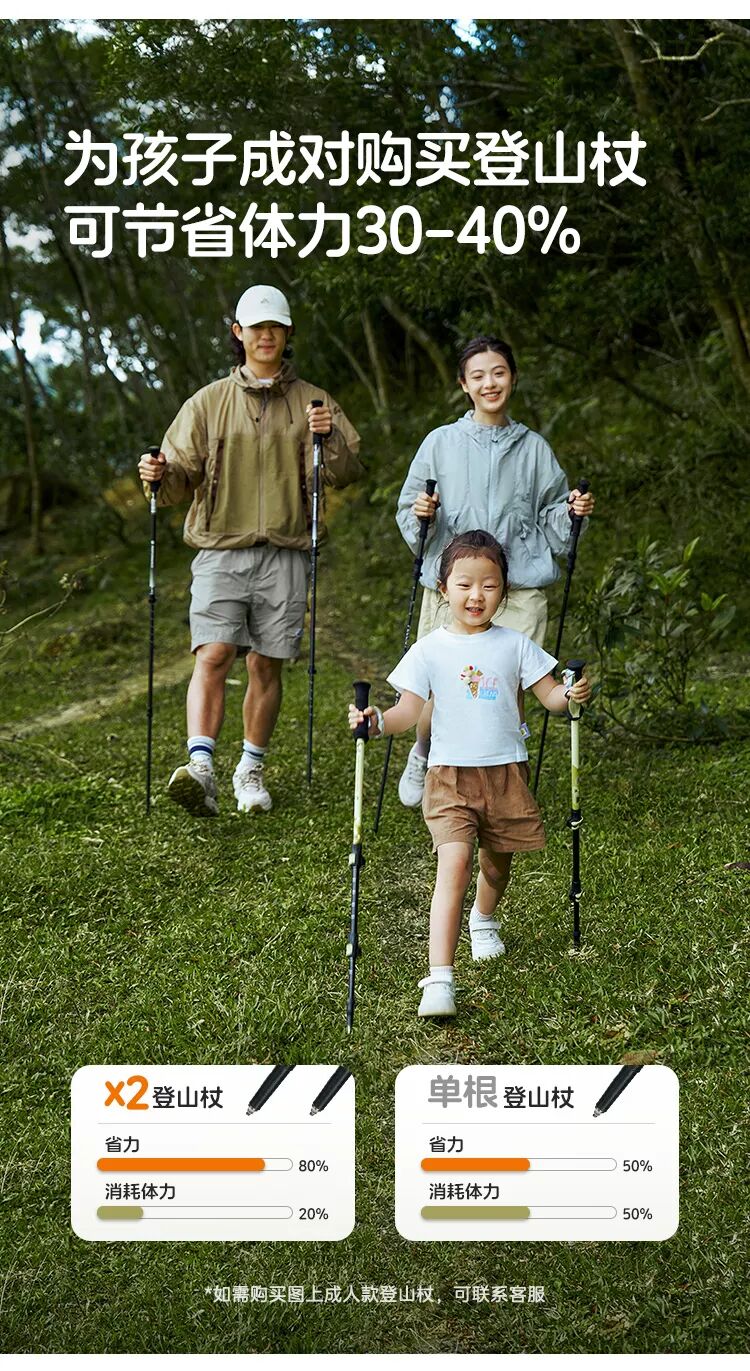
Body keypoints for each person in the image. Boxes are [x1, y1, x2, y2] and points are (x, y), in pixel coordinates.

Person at [138, 284, 362, 817]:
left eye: (276, 327)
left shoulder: (315, 401)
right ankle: (201, 767)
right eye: (257, 327)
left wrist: (329, 437)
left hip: (288, 550)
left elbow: (349, 471)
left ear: (287, 334)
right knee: (213, 652)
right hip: (221, 549)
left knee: (266, 664)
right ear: (238, 333)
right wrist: (157, 475)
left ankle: (250, 768)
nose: (267, 335)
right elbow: (178, 477)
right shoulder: (208, 402)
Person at [348, 529, 590, 1018]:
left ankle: (483, 918)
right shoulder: (429, 650)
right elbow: (407, 711)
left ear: (504, 591)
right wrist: (376, 723)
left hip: (505, 774)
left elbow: (549, 697)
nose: (476, 595)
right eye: (464, 584)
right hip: (448, 777)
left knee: (497, 867)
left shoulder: (516, 645)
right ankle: (439, 978)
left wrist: (570, 695)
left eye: (489, 585)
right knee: (454, 863)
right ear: (444, 589)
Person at [394, 335, 595, 807]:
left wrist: (572, 513)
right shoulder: (440, 443)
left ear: (513, 378)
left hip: (518, 588)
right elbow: (410, 510)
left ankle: (504, 779)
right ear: (463, 384)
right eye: (478, 375)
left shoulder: (534, 448)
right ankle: (424, 752)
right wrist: (423, 513)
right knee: (441, 688)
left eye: (499, 372)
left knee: (506, 691)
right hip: (455, 589)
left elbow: (552, 516)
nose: (490, 383)